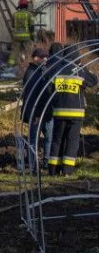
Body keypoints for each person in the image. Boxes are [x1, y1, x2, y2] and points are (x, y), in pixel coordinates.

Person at [46, 44, 97, 176]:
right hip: (76, 113)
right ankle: (67, 171)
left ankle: (53, 170)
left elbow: (48, 90)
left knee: (57, 140)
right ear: (77, 56)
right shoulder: (78, 70)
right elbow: (93, 81)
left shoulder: (57, 69)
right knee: (72, 140)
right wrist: (83, 67)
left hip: (59, 112)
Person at [22, 48, 51, 166]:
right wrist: (37, 114)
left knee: (49, 137)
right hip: (36, 113)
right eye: (43, 57)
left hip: (43, 112)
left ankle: (47, 162)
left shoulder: (39, 71)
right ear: (35, 58)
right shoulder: (32, 74)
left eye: (46, 57)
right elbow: (32, 96)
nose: (45, 59)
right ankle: (33, 163)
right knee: (34, 139)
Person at [8, 0, 34, 67]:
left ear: (19, 5)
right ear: (27, 6)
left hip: (16, 36)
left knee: (14, 52)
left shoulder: (14, 14)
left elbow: (13, 25)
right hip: (26, 37)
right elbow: (31, 27)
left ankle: (11, 65)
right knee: (27, 51)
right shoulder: (29, 15)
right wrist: (33, 37)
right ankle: (26, 66)